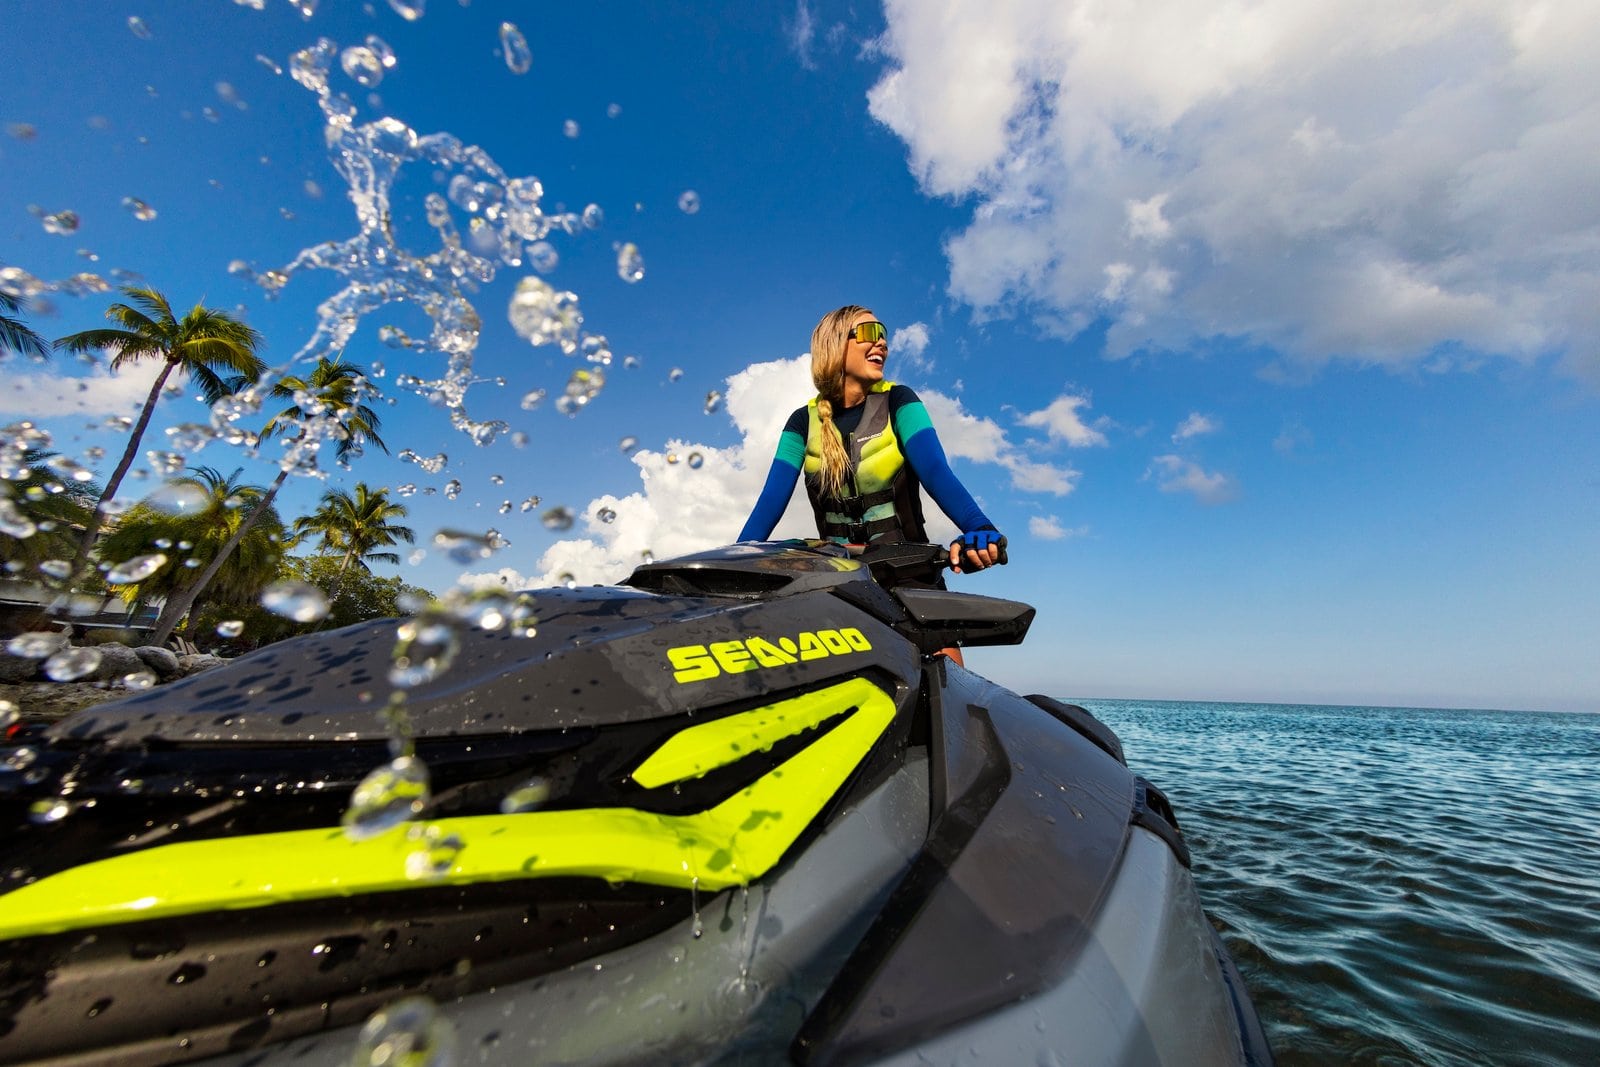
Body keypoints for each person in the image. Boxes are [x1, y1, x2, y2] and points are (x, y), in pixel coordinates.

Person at [738, 305, 1004, 663]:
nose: (880, 343)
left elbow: (937, 472)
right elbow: (770, 502)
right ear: (834, 344)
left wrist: (979, 528)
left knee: (945, 681)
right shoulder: (802, 422)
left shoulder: (900, 401)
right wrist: (735, 561)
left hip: (911, 576)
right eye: (867, 334)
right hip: (839, 583)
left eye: (884, 336)